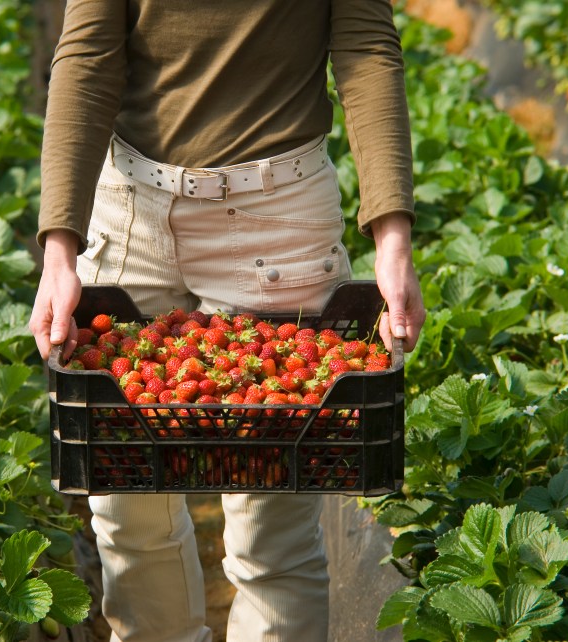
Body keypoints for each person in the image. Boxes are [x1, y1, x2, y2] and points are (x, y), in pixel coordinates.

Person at [29, 2, 425, 640]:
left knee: (275, 530)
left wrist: (393, 240)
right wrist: (59, 249)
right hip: (131, 211)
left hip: (279, 216)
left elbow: (365, 46)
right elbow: (87, 55)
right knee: (127, 511)